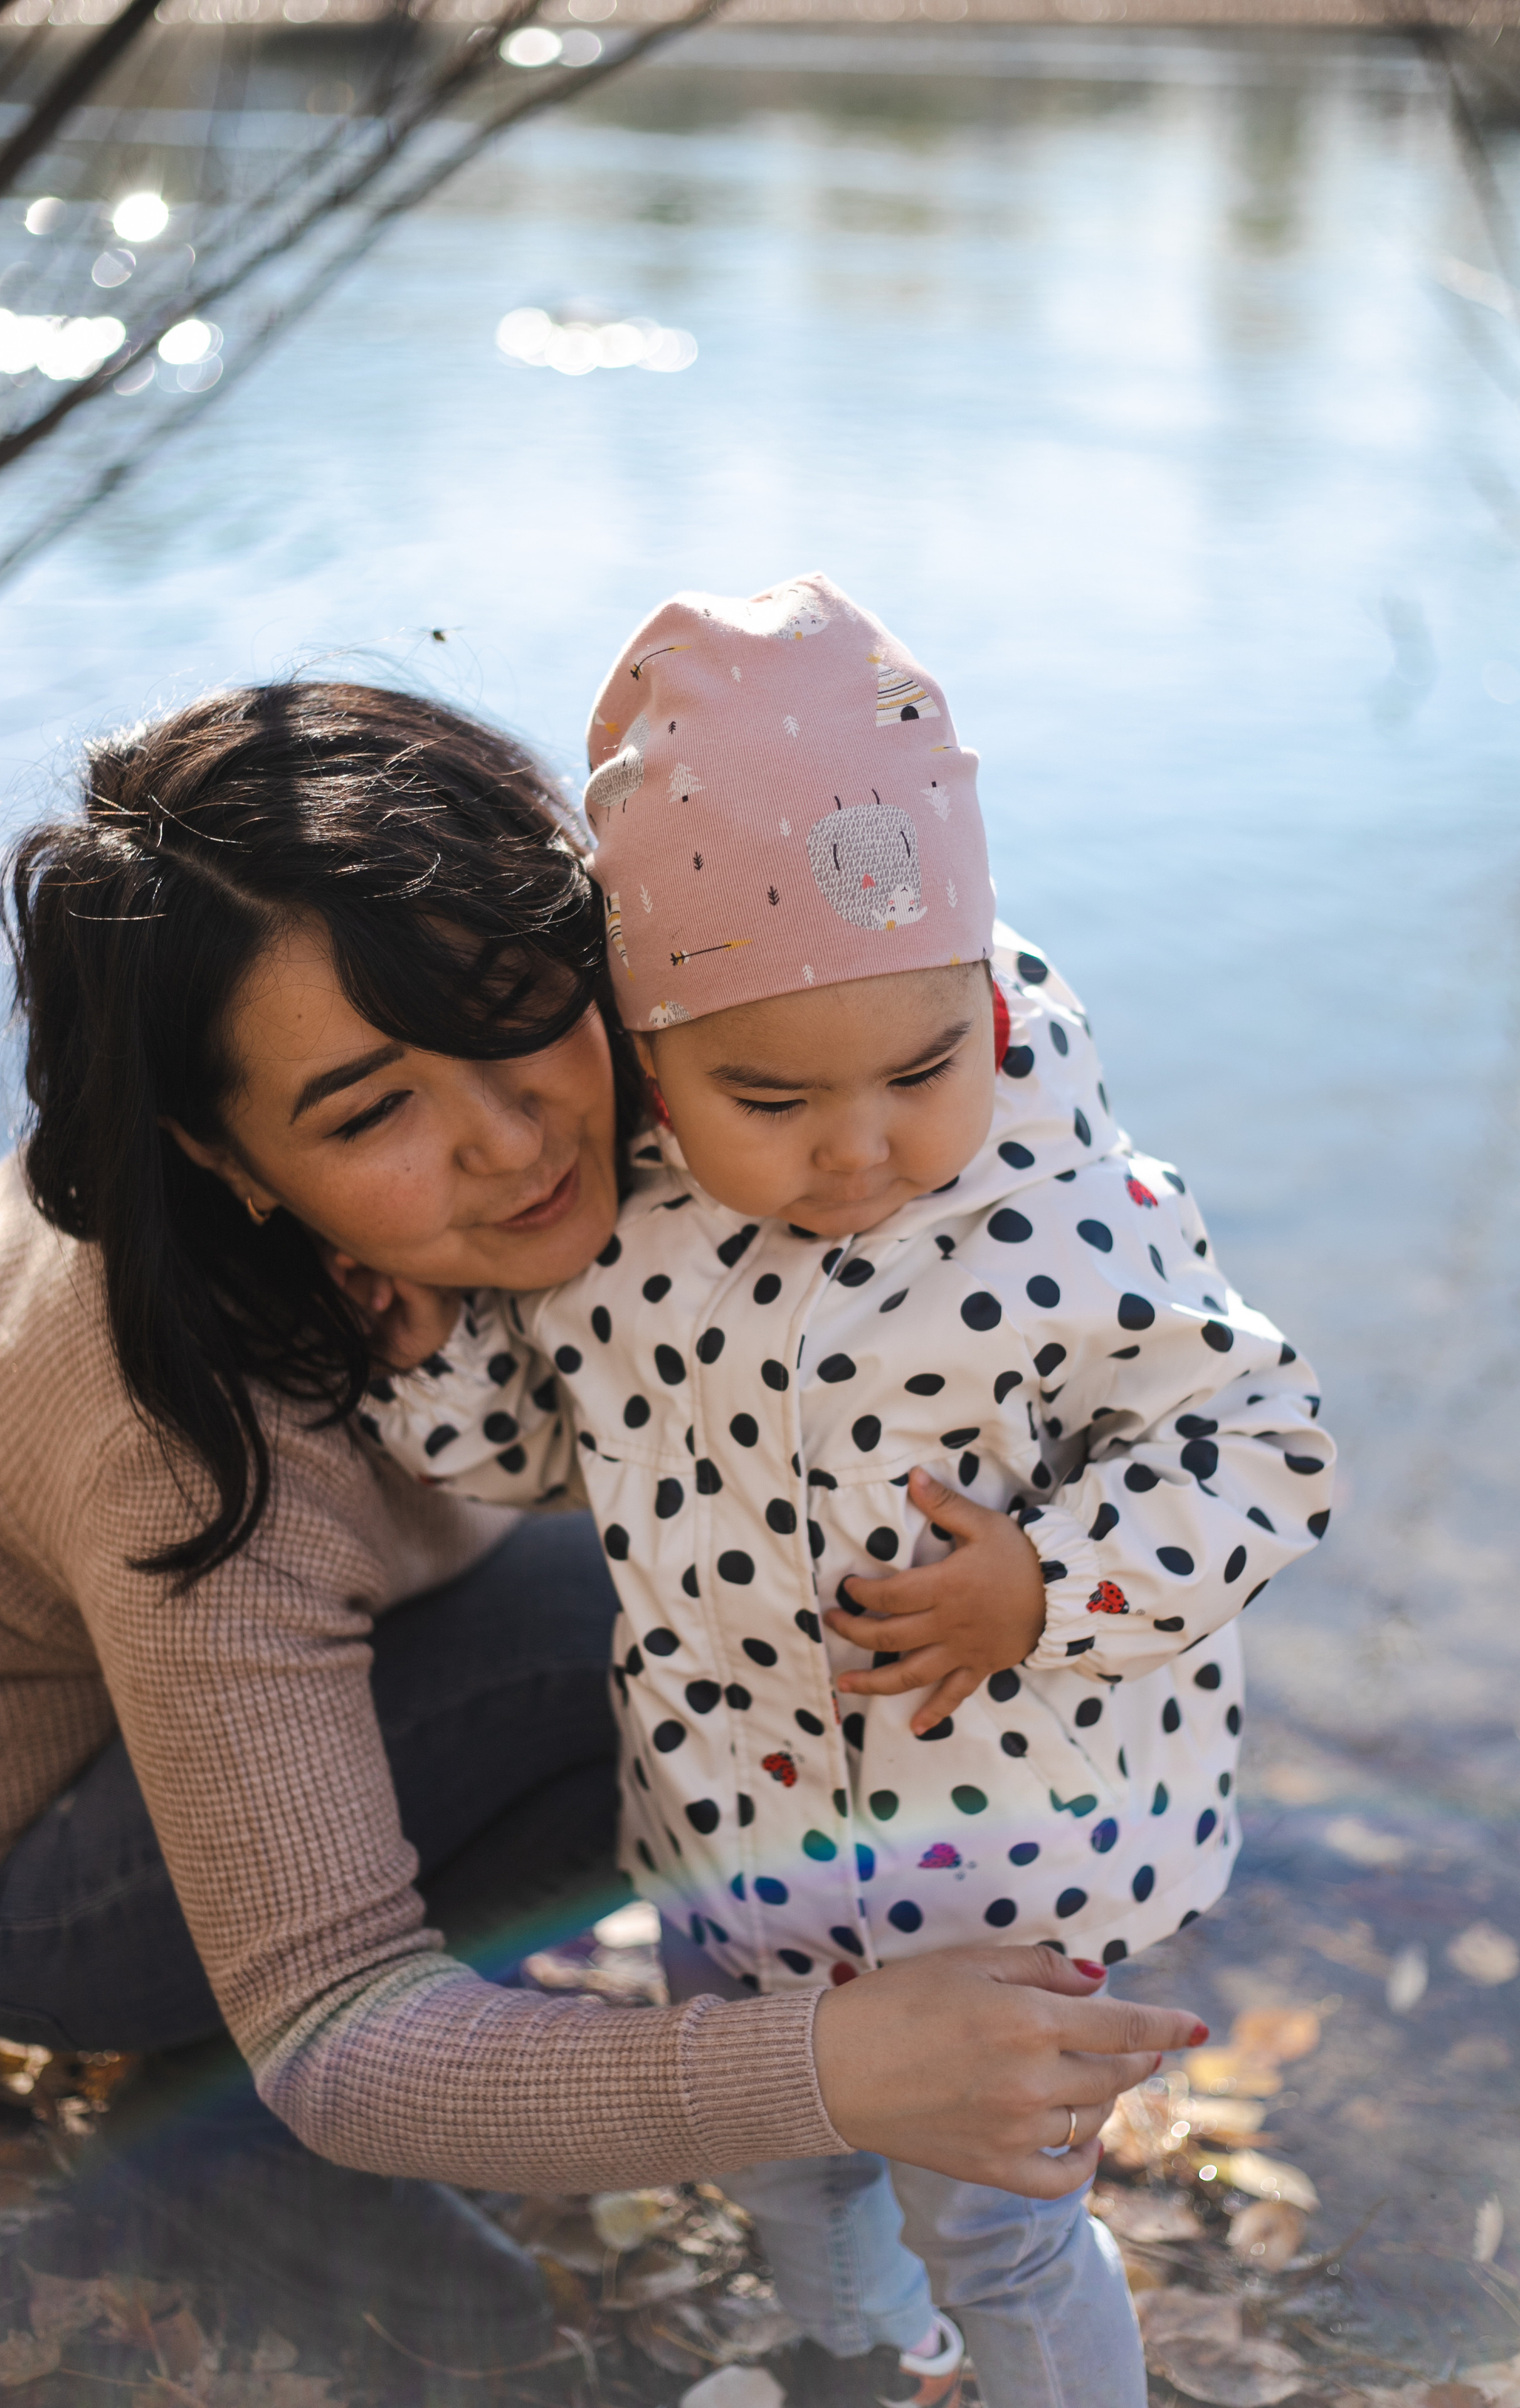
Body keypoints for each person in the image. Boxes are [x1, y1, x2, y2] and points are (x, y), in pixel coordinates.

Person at [0, 679, 1209, 2375]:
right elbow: (334, 2029)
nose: (516, 1141)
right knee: (698, 1610)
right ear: (216, 1151)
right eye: (368, 1112)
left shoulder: (692, 1056)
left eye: (517, 1007)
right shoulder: (190, 1437)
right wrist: (839, 2064)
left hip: (254, 1707)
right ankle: (206, 2127)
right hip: (5, 1866)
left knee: (735, 1578)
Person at [354, 579, 1336, 2407]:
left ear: (984, 1001)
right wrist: (428, 1351)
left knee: (1009, 2227)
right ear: (648, 1055)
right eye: (770, 1095)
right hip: (734, 1839)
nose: (861, 1144)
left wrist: (1049, 1582)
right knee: (788, 2160)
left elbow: (1261, 1447)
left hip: (1010, 1862)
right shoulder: (626, 1238)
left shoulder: (1074, 1222)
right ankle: (852, 2362)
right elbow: (548, 1458)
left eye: (919, 1068)